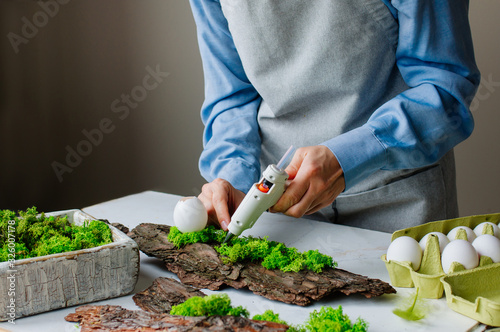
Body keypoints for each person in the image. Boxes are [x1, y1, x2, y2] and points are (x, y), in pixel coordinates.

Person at [189, 0, 480, 233]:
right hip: (278, 210)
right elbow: (232, 96)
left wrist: (349, 157)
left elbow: (445, 87)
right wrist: (232, 177)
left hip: (398, 201)